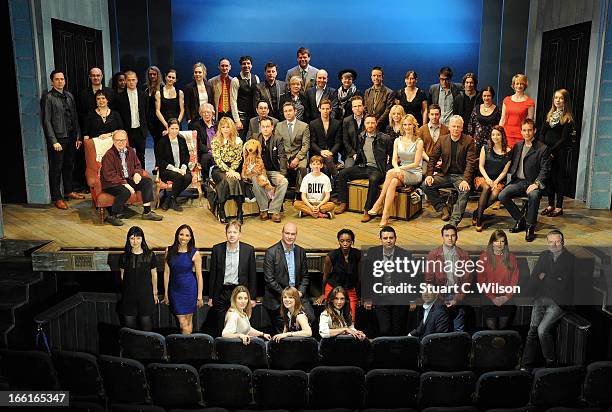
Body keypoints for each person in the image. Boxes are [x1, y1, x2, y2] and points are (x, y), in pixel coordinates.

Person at [522, 230, 575, 369]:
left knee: (541, 330)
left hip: (558, 302)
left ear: (562, 242)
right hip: (541, 297)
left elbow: (563, 284)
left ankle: (550, 363)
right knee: (532, 331)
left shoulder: (570, 259)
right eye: (551, 242)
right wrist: (553, 278)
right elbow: (535, 276)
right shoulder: (544, 255)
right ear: (547, 243)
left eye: (557, 241)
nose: (554, 244)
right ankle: (525, 364)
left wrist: (545, 276)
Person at [498, 119, 550, 242]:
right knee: (502, 195)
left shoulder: (542, 148)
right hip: (519, 182)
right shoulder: (517, 146)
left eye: (530, 130)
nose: (527, 133)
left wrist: (537, 183)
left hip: (533, 183)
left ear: (534, 131)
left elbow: (545, 170)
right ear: (521, 132)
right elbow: (507, 160)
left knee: (534, 196)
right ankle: (520, 220)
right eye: (524, 130)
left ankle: (530, 227)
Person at [335, 114, 393, 223]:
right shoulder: (361, 136)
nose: (370, 125)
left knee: (374, 179)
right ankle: (343, 202)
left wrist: (387, 171)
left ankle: (368, 209)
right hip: (364, 166)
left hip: (378, 169)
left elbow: (392, 155)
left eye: (372, 123)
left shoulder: (384, 138)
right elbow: (360, 152)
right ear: (365, 124)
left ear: (376, 124)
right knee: (342, 173)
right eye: (367, 123)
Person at [421, 115, 477, 228]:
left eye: (458, 126)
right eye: (453, 126)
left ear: (462, 128)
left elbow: (471, 163)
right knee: (425, 185)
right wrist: (429, 175)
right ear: (449, 128)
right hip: (445, 174)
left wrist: (466, 180)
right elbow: (433, 158)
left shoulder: (468, 140)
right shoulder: (442, 140)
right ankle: (442, 208)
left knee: (465, 190)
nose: (456, 129)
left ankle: (454, 221)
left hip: (461, 176)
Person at [369, 114, 424, 226]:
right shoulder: (397, 141)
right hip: (399, 172)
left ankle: (379, 202)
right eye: (405, 125)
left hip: (414, 173)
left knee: (390, 173)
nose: (407, 127)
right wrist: (397, 168)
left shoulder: (419, 142)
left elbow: (416, 164)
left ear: (414, 126)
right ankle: (385, 215)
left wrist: (398, 169)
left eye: (409, 124)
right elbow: (394, 160)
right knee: (393, 181)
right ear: (402, 126)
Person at [100, 130, 163, 226]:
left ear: (126, 141)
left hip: (128, 179)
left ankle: (147, 212)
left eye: (123, 140)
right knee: (125, 191)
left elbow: (137, 165)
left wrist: (137, 173)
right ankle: (113, 216)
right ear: (113, 141)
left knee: (147, 181)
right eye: (118, 140)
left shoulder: (130, 151)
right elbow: (109, 175)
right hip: (112, 183)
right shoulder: (109, 155)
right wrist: (125, 184)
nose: (120, 142)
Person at [363, 226, 414, 337]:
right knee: (384, 329)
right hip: (381, 297)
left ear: (395, 238)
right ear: (381, 239)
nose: (388, 240)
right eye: (385, 238)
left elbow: (410, 278)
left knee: (397, 330)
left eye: (391, 237)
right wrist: (367, 298)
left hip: (399, 298)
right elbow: (367, 277)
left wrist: (412, 299)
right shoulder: (372, 252)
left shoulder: (405, 255)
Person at [43, 70, 83, 209]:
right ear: (52, 81)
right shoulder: (49, 97)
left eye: (62, 79)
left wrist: (78, 135)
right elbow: (46, 121)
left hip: (71, 136)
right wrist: (54, 141)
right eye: (57, 79)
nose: (60, 81)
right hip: (59, 139)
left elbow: (75, 117)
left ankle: (69, 190)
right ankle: (57, 197)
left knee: (69, 165)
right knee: (56, 168)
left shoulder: (69, 96)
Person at [209, 221, 257, 336]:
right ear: (226, 233)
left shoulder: (248, 250)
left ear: (239, 234)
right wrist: (211, 296)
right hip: (222, 292)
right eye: (229, 232)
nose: (232, 235)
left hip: (239, 293)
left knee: (240, 325)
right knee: (221, 325)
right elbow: (213, 275)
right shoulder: (217, 249)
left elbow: (252, 276)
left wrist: (252, 297)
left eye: (234, 232)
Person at [263, 223, 313, 332]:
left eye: (293, 234)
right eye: (287, 233)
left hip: (298, 296)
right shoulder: (271, 252)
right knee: (283, 327)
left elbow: (305, 277)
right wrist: (287, 295)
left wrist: (299, 292)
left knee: (311, 319)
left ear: (296, 235)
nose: (290, 236)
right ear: (282, 233)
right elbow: (269, 280)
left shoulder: (300, 251)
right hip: (277, 297)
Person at [424, 224, 473, 332]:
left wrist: (457, 298)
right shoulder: (433, 254)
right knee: (441, 329)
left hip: (458, 294)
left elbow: (467, 281)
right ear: (442, 237)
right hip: (439, 295)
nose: (450, 238)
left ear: (457, 237)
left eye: (453, 235)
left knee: (459, 329)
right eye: (447, 236)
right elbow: (429, 280)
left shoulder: (464, 255)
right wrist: (439, 297)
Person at [539, 89, 575, 217]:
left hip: (559, 153)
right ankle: (550, 205)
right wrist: (544, 148)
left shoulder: (567, 118)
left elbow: (563, 139)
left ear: (565, 101)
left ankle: (559, 207)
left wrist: (551, 150)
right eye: (556, 98)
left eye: (560, 98)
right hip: (547, 152)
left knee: (558, 179)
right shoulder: (550, 115)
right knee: (549, 179)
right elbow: (542, 133)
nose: (557, 100)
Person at [162, 224, 203, 335]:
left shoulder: (195, 253)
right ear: (177, 235)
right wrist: (165, 293)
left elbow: (199, 276)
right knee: (183, 323)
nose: (183, 237)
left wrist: (199, 296)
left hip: (190, 290)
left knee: (188, 321)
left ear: (190, 238)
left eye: (187, 235)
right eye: (181, 234)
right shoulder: (169, 250)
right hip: (175, 291)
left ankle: (187, 347)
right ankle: (186, 347)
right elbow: (166, 273)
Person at [471, 125, 512, 231]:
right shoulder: (485, 148)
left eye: (498, 134)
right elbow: (480, 166)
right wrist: (488, 179)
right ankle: (479, 218)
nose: (495, 137)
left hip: (498, 180)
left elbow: (504, 171)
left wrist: (496, 181)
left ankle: (477, 212)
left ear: (502, 136)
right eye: (493, 134)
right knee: (486, 188)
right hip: (484, 177)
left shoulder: (508, 151)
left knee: (495, 194)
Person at [477, 230, 519, 330]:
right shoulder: (484, 257)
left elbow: (514, 280)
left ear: (505, 243)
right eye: (497, 241)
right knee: (492, 332)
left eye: (502, 241)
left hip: (507, 298)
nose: (499, 244)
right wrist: (492, 298)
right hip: (489, 298)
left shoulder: (511, 257)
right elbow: (481, 281)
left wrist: (506, 297)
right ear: (492, 243)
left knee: (503, 331)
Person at [249, 117, 288, 223]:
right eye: (263, 127)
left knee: (284, 182)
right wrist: (253, 169)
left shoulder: (278, 139)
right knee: (254, 179)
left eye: (268, 126)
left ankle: (274, 210)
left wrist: (282, 173)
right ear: (260, 128)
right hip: (259, 171)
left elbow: (282, 156)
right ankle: (264, 209)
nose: (265, 129)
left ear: (272, 127)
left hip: (273, 171)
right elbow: (250, 155)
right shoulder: (255, 137)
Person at [316, 229, 361, 320]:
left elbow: (359, 277)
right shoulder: (331, 256)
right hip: (333, 288)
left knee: (352, 318)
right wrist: (323, 294)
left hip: (349, 288)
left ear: (352, 241)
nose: (345, 243)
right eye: (342, 241)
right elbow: (326, 276)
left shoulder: (357, 254)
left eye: (348, 241)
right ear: (338, 241)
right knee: (333, 317)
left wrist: (361, 295)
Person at [119, 226, 158, 332]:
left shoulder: (150, 255)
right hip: (129, 297)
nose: (135, 241)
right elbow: (122, 275)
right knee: (130, 329)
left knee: (147, 329)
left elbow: (154, 275)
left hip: (145, 296)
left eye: (138, 238)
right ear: (128, 240)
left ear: (142, 239)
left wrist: (154, 293)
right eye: (132, 238)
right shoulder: (124, 256)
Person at [211, 117, 245, 224]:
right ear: (220, 129)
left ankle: (240, 211)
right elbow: (218, 160)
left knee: (235, 180)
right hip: (219, 169)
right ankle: (222, 210)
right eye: (223, 127)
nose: (225, 129)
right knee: (226, 179)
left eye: (228, 127)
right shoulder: (215, 141)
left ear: (232, 128)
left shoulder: (238, 141)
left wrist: (232, 170)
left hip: (233, 168)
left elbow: (238, 159)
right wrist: (229, 171)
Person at [156, 118, 192, 212]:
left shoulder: (181, 140)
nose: (175, 131)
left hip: (181, 168)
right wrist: (175, 169)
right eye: (172, 128)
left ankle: (170, 199)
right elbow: (160, 160)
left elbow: (186, 156)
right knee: (179, 177)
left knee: (188, 177)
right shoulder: (162, 141)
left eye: (177, 128)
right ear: (168, 129)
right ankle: (173, 201)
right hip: (167, 170)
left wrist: (184, 167)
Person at [274, 102, 310, 190]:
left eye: (290, 110)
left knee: (302, 168)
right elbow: (277, 145)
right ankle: (282, 193)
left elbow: (306, 145)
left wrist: (297, 158)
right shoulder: (279, 126)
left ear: (295, 111)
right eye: (285, 111)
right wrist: (283, 159)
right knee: (277, 166)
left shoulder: (304, 126)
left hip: (298, 155)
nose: (288, 113)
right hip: (283, 156)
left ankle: (299, 194)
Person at [117, 70, 149, 168]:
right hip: (127, 131)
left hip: (140, 130)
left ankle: (142, 174)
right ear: (125, 81)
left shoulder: (143, 95)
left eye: (133, 80)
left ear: (137, 80)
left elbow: (146, 112)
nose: (131, 82)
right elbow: (119, 115)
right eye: (129, 80)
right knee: (126, 155)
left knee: (141, 155)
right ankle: (128, 176)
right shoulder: (119, 97)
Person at [500, 73, 535, 148]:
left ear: (525, 85)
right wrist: (498, 132)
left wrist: (527, 137)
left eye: (521, 84)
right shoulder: (507, 100)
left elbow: (529, 123)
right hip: (506, 134)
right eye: (517, 83)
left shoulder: (530, 102)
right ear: (513, 85)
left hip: (521, 135)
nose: (519, 86)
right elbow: (502, 119)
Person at [309, 98, 341, 179]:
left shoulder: (336, 123)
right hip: (317, 154)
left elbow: (338, 142)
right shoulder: (313, 124)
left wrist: (331, 152)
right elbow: (312, 142)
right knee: (328, 163)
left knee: (327, 165)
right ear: (319, 109)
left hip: (331, 154)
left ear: (331, 109)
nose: (325, 111)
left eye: (327, 108)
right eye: (323, 108)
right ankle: (337, 179)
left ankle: (330, 187)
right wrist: (321, 151)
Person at [154, 69, 185, 152]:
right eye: (169, 77)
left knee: (177, 147)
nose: (171, 79)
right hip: (163, 123)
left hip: (176, 123)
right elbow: (157, 111)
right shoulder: (158, 93)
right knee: (163, 148)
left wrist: (176, 124)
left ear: (175, 80)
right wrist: (167, 125)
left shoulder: (180, 93)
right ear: (165, 77)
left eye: (173, 77)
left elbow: (182, 110)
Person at [230, 56, 260, 137]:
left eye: (248, 63)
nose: (246, 66)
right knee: (241, 139)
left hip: (253, 115)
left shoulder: (256, 78)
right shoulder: (235, 80)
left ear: (251, 65)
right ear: (241, 66)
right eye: (244, 64)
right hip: (241, 117)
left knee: (254, 139)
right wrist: (237, 120)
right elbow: (233, 101)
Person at [467, 85, 501, 154]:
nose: (486, 98)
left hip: (490, 142)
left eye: (488, 96)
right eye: (484, 96)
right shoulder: (476, 108)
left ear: (492, 96)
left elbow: (499, 127)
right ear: (482, 97)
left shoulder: (497, 110)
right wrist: (470, 138)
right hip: (476, 142)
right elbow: (471, 124)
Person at [418, 104, 449, 172]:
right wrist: (430, 161)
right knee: (423, 173)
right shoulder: (422, 130)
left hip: (441, 161)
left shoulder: (446, 130)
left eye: (436, 114)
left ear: (440, 115)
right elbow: (420, 150)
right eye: (432, 114)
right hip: (426, 159)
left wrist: (442, 161)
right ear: (428, 115)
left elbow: (448, 149)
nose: (434, 117)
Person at [189, 102, 216, 177]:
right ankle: (205, 179)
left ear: (212, 113)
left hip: (218, 150)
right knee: (205, 158)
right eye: (204, 112)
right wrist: (210, 151)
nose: (206, 114)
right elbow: (198, 143)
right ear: (201, 114)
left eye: (208, 112)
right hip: (205, 152)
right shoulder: (196, 126)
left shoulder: (217, 124)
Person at [183, 62, 213, 127]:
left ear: (204, 73)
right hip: (194, 119)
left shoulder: (209, 86)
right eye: (196, 72)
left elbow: (211, 102)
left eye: (200, 72)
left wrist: (212, 116)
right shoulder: (189, 87)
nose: (197, 74)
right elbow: (186, 105)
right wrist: (188, 119)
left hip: (207, 117)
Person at [341, 95, 365, 168]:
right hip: (351, 154)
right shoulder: (346, 121)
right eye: (355, 106)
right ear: (352, 108)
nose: (357, 108)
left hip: (366, 154)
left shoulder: (369, 120)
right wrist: (353, 154)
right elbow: (345, 141)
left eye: (359, 106)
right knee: (348, 168)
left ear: (363, 107)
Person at [145, 66, 163, 145]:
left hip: (158, 118)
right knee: (154, 140)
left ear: (158, 75)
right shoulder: (144, 87)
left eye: (154, 74)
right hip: (148, 119)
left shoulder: (162, 87)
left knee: (159, 141)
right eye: (150, 74)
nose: (152, 76)